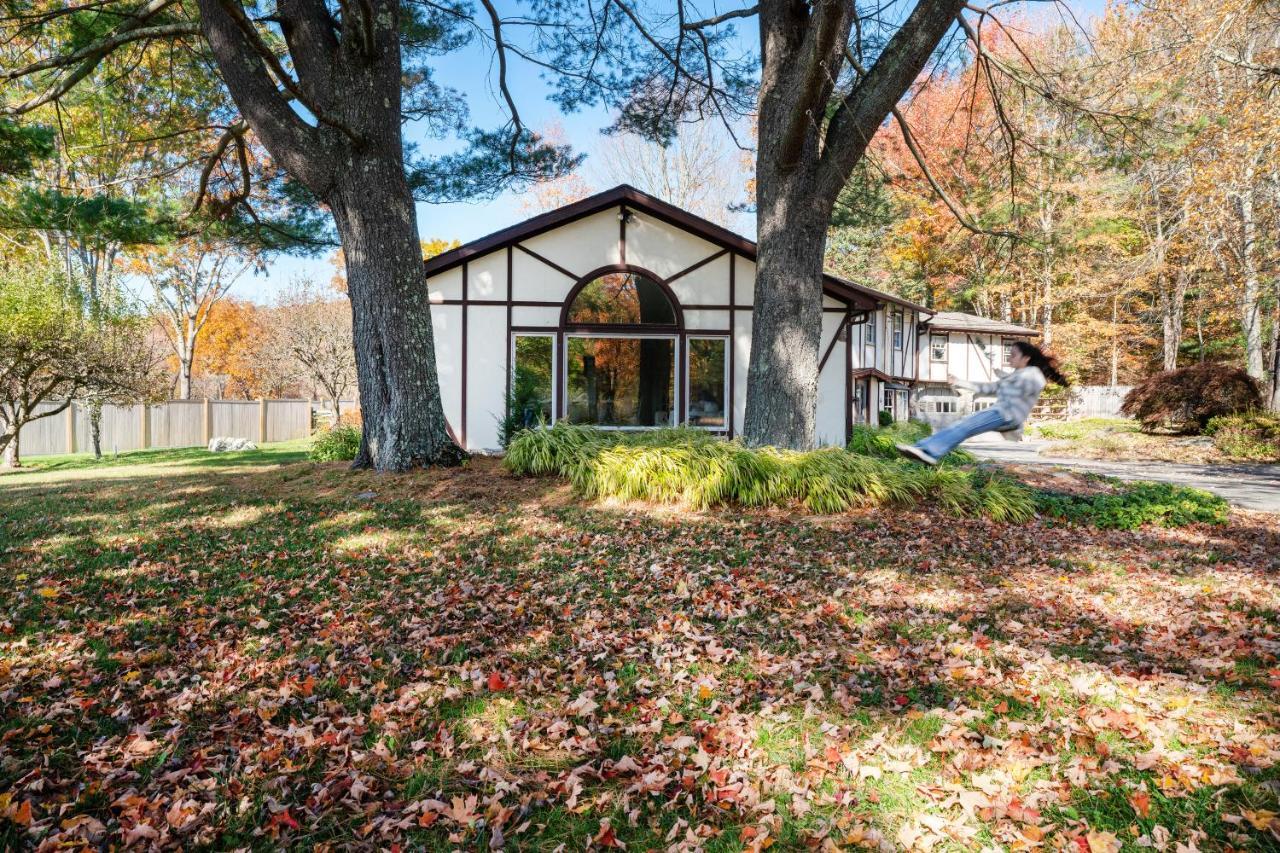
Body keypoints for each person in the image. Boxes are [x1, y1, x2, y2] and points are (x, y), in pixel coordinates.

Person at [897, 340, 1068, 465]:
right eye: (1009, 354)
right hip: (1002, 413)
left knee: (964, 426)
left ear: (1026, 358)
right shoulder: (1017, 375)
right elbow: (988, 388)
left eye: (1014, 355)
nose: (1010, 358)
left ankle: (931, 452)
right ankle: (921, 449)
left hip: (1007, 414)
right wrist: (959, 382)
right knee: (962, 425)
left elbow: (1031, 385)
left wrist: (1005, 378)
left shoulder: (1034, 374)